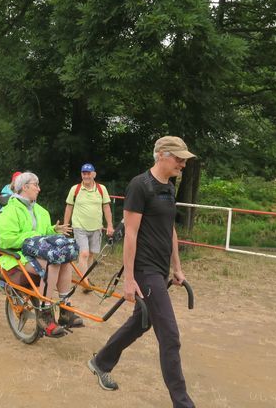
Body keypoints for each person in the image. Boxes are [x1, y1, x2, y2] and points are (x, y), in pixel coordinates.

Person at [87, 136, 196, 408]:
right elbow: (131, 234)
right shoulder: (140, 185)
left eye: (184, 159)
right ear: (161, 155)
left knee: (141, 321)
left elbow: (170, 229)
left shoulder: (169, 188)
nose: (183, 163)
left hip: (160, 269)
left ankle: (100, 362)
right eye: (178, 158)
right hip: (144, 270)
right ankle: (183, 403)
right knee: (170, 336)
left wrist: (177, 268)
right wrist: (129, 278)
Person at [0, 171, 83, 336]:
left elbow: (43, 232)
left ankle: (65, 310)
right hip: (16, 256)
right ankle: (44, 315)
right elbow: (7, 240)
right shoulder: (9, 211)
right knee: (52, 263)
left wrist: (53, 230)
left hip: (38, 254)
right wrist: (33, 237)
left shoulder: (40, 210)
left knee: (64, 260)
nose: (39, 189)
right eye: (36, 185)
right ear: (25, 187)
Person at [63, 163, 114, 290]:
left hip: (96, 228)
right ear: (81, 174)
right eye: (83, 173)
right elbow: (69, 207)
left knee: (91, 254)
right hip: (79, 226)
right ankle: (85, 283)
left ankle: (87, 278)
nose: (86, 176)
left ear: (94, 174)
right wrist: (65, 225)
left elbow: (106, 207)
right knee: (84, 254)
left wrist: (110, 225)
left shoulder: (102, 189)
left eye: (88, 173)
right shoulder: (75, 189)